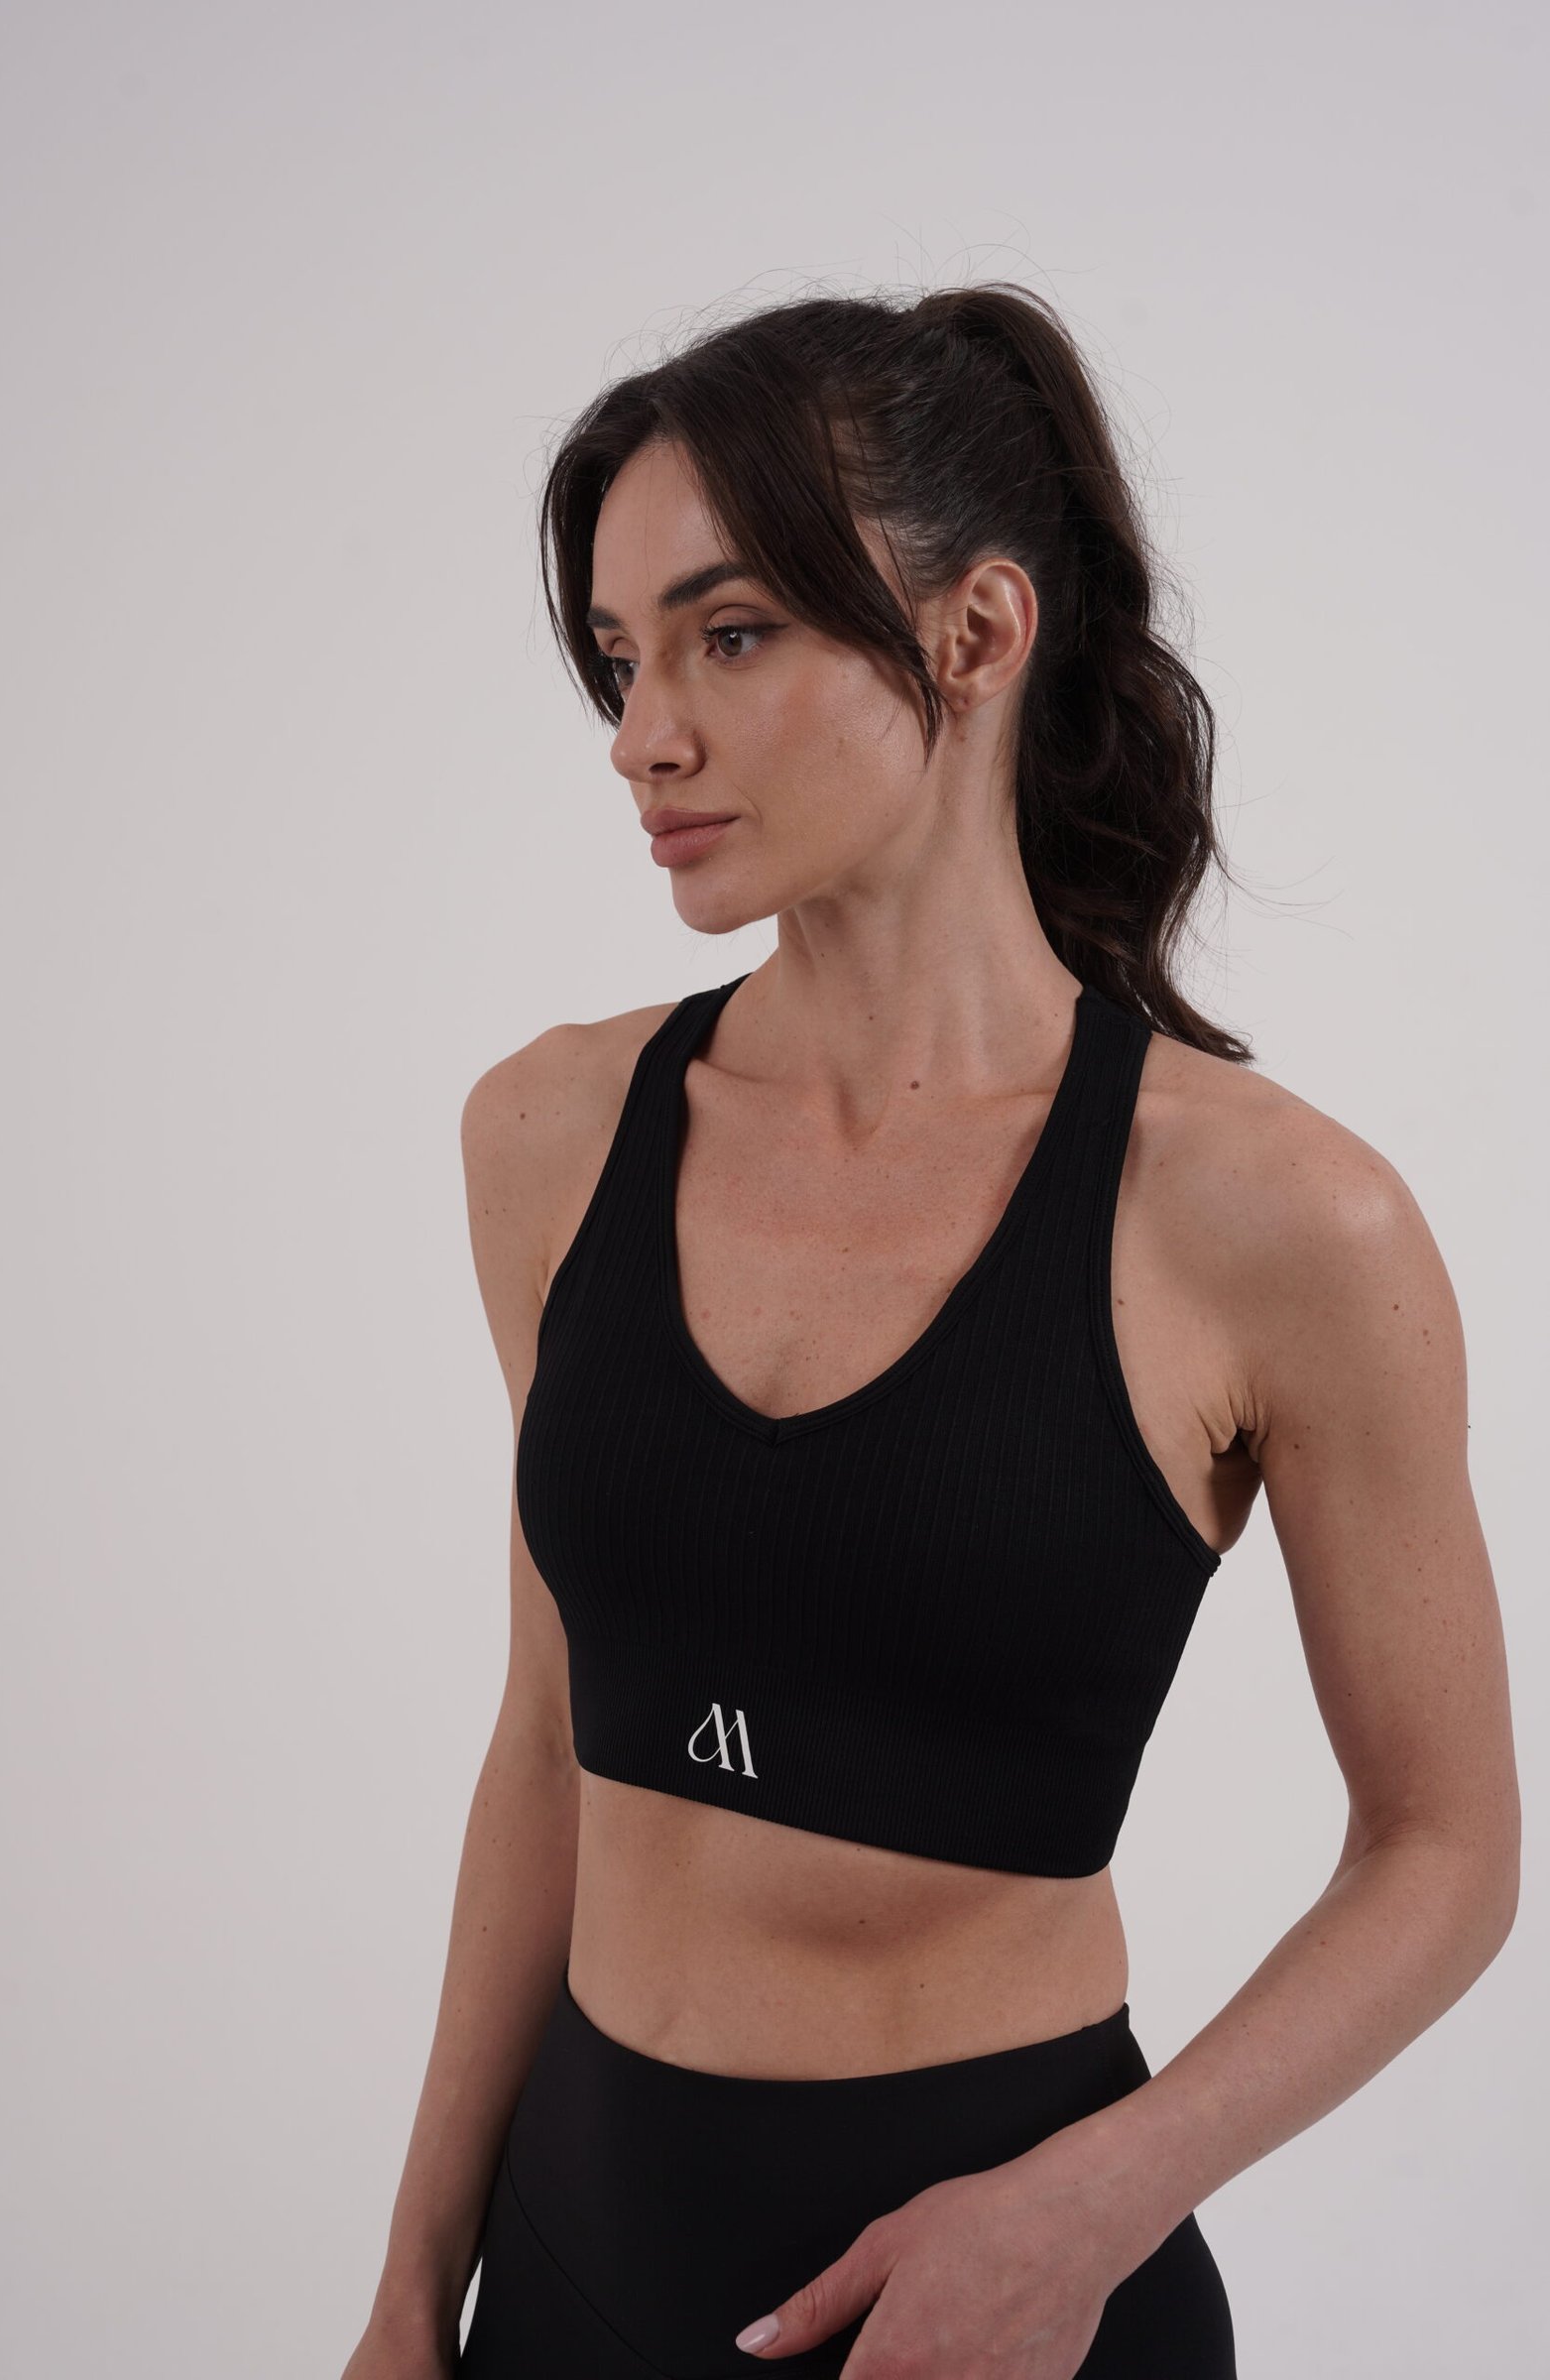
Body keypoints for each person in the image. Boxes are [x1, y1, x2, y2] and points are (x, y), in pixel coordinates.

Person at [340, 284, 1519, 2380]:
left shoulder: (1273, 1220)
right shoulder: (548, 1135)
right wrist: (409, 2294)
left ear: (975, 635)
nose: (640, 735)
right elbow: (549, 1740)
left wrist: (1093, 2206)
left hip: (1001, 2310)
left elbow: (1446, 1850)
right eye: (617, 659)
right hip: (570, 2269)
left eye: (726, 635)